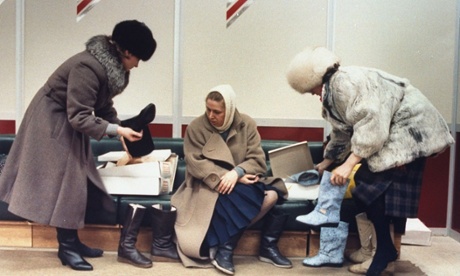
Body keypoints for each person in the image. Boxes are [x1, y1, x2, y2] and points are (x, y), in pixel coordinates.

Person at [0, 20, 156, 271]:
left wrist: (120, 131)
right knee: (69, 183)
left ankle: (72, 241)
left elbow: (102, 105)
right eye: (138, 58)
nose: (137, 65)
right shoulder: (88, 67)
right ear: (127, 52)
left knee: (77, 182)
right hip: (52, 122)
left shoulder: (109, 67)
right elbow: (79, 116)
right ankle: (67, 247)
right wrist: (117, 130)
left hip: (69, 120)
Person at [286, 46, 454, 276]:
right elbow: (343, 130)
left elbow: (371, 122)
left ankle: (383, 250)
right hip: (395, 128)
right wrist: (327, 162)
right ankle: (378, 250)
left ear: (314, 79)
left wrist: (347, 165)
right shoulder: (334, 88)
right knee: (367, 183)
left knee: (367, 179)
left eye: (311, 90)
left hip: (412, 127)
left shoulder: (345, 84)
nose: (313, 95)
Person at [171, 84, 292, 275]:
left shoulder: (247, 124)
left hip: (241, 180)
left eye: (217, 112)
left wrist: (237, 173)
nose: (211, 115)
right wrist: (224, 177)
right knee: (243, 195)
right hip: (206, 185)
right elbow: (195, 164)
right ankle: (227, 249)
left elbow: (257, 160)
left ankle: (224, 247)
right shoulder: (196, 127)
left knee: (272, 195)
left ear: (229, 110)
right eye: (208, 109)